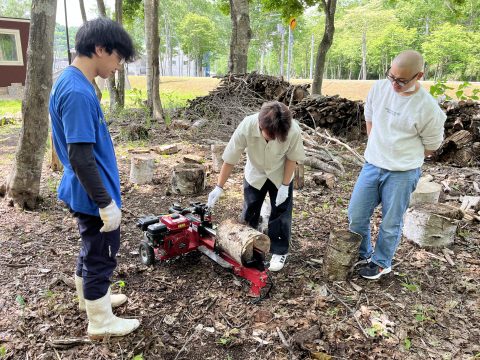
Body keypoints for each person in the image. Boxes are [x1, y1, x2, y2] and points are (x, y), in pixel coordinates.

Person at [49, 17, 139, 339]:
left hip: (83, 189)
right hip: (91, 194)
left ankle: (89, 300)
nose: (118, 66)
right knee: (102, 252)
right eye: (117, 58)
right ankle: (100, 321)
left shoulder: (74, 82)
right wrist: (105, 203)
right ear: (100, 49)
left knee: (91, 247)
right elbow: (80, 157)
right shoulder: (77, 92)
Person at [348, 50, 447, 280]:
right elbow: (369, 117)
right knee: (356, 214)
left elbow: (431, 147)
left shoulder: (428, 108)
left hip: (403, 172)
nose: (394, 84)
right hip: (372, 165)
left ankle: (382, 262)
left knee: (391, 222)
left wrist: (400, 154)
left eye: (402, 80)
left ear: (419, 75)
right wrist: (378, 146)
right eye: (392, 77)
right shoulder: (380, 88)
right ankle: (364, 254)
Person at [207, 101, 306, 272]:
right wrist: (219, 187)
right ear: (260, 125)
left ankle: (279, 250)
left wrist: (284, 185)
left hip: (280, 173)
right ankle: (246, 245)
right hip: (255, 173)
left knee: (281, 212)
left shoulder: (293, 130)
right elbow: (230, 157)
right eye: (268, 135)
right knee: (250, 209)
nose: (270, 138)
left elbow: (292, 158)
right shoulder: (247, 125)